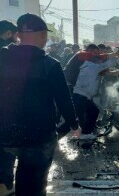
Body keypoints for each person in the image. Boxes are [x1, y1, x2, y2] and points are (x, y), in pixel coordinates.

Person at [0, 13, 80, 196]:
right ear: (43, 35)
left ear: (18, 34)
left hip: (3, 132)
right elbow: (64, 100)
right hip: (38, 137)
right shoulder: (51, 65)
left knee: (3, 181)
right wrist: (74, 124)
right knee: (32, 187)